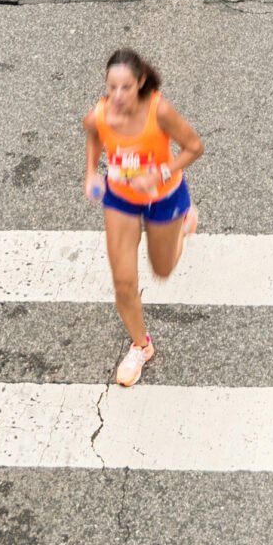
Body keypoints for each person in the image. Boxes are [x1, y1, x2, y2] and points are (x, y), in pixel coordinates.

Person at [82, 47, 204, 385]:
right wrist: (92, 172)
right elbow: (92, 134)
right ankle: (141, 345)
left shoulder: (159, 111)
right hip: (121, 198)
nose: (117, 96)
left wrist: (162, 172)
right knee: (123, 282)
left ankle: (181, 223)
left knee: (162, 270)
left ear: (140, 84)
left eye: (125, 87)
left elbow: (194, 147)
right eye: (111, 88)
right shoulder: (101, 114)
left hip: (164, 196)